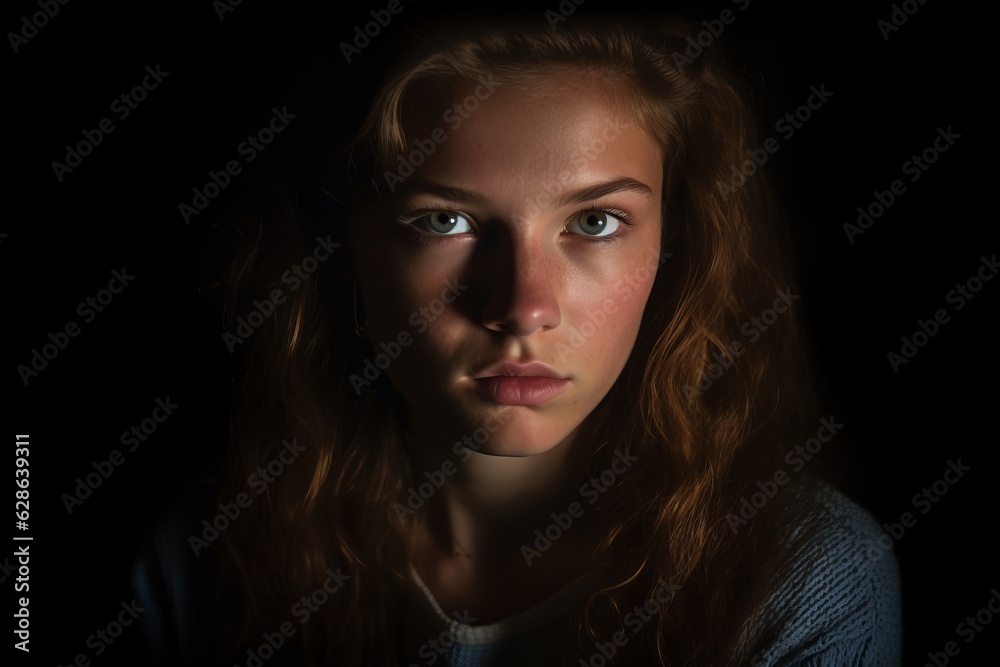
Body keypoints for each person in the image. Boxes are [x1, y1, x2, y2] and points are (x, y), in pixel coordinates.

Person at [133, 14, 902, 667]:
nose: (523, 307)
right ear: (344, 250)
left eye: (595, 222)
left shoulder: (801, 578)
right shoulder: (209, 552)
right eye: (446, 220)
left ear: (676, 247)